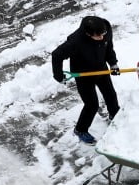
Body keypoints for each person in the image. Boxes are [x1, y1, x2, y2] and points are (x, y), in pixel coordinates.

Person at [51, 15, 121, 144]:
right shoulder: (75, 42)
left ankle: (114, 116)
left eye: (103, 34)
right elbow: (56, 55)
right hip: (83, 75)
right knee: (92, 105)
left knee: (110, 95)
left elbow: (108, 47)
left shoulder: (105, 29)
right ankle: (80, 130)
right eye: (98, 36)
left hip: (101, 69)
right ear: (88, 34)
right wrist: (59, 75)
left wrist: (113, 63)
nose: (102, 37)